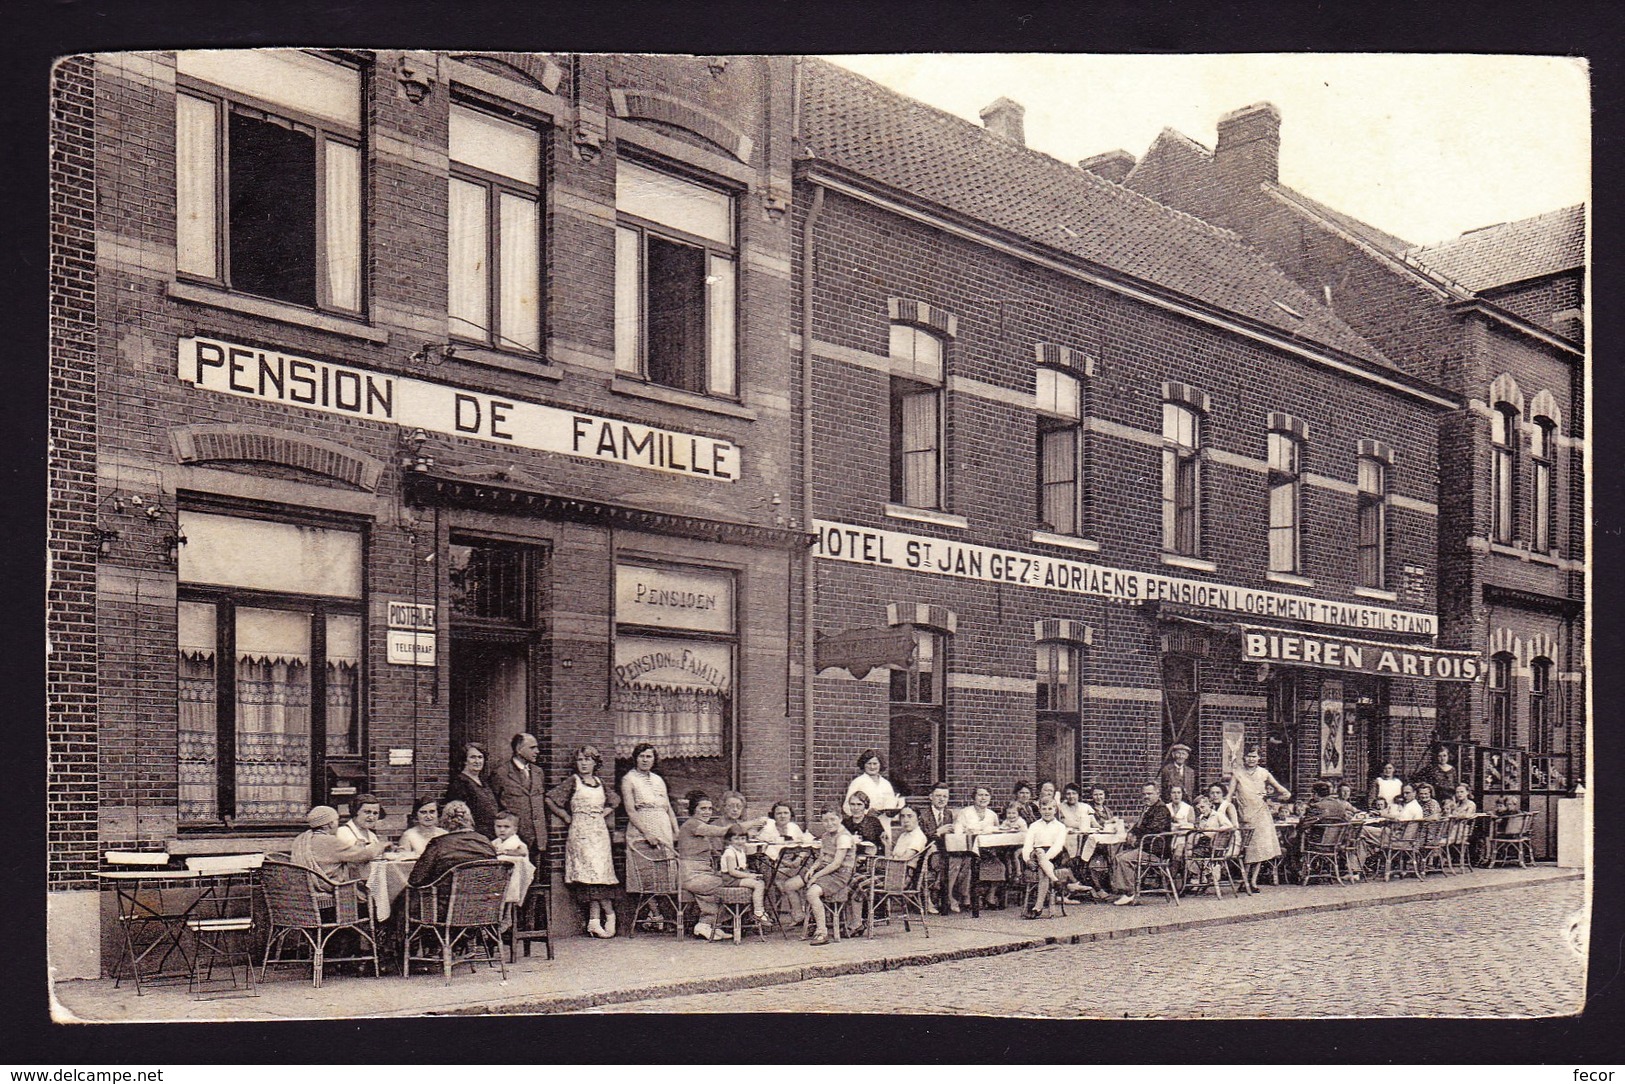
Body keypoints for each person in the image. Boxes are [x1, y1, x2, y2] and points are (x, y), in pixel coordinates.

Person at [545, 744, 622, 938]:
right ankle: (606, 915)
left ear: (595, 762)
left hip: (599, 832)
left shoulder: (599, 782)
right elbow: (550, 799)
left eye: (588, 760)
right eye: (580, 760)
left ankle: (596, 920)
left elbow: (615, 800)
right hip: (580, 832)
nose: (584, 764)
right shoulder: (574, 781)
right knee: (590, 875)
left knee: (600, 874)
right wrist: (565, 816)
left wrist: (603, 813)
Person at [1227, 748, 1291, 890]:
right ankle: (1244, 881)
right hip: (1245, 815)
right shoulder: (1237, 773)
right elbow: (1229, 795)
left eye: (1254, 756)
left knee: (1259, 850)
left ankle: (1253, 882)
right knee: (1247, 849)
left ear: (1259, 758)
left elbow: (1285, 793)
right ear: (1243, 758)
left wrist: (1271, 797)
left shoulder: (1264, 773)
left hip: (1261, 815)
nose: (1251, 759)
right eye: (1248, 756)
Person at [676, 791, 731, 941]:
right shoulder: (693, 824)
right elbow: (722, 831)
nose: (707, 812)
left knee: (728, 881)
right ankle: (704, 924)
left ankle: (714, 924)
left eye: (709, 809)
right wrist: (751, 824)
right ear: (694, 809)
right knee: (729, 882)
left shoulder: (701, 826)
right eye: (703, 808)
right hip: (691, 875)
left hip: (703, 872)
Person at [407, 800, 498, 889]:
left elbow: (415, 880)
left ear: (444, 820)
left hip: (446, 901)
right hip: (484, 901)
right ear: (469, 819)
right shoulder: (485, 841)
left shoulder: (438, 844)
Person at [1110, 784, 1174, 904]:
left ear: (1157, 794)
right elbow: (1138, 826)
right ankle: (1124, 890)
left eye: (1149, 794)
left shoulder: (1161, 809)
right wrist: (1131, 832)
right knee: (1118, 856)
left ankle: (1130, 892)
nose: (1146, 797)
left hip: (1156, 851)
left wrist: (1135, 836)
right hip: (1146, 848)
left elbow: (1153, 829)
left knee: (1124, 859)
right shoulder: (1148, 808)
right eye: (1144, 794)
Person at [489, 733, 548, 864]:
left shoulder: (538, 772)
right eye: (532, 748)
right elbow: (494, 806)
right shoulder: (501, 773)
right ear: (518, 749)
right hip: (513, 840)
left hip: (536, 838)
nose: (537, 751)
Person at [290, 805, 378, 891]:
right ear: (331, 824)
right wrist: (382, 846)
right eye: (337, 821)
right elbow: (362, 855)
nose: (338, 824)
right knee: (369, 888)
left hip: (304, 888)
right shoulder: (330, 841)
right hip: (330, 887)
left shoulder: (301, 838)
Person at [802, 808, 856, 947]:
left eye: (833, 819)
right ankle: (812, 921)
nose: (829, 823)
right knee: (794, 884)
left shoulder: (843, 837)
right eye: (825, 820)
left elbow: (836, 863)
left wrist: (816, 876)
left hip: (840, 874)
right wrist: (812, 869)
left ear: (840, 819)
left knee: (812, 892)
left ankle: (822, 931)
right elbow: (821, 858)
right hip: (826, 871)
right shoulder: (826, 836)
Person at [620, 742, 679, 855]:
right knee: (647, 863)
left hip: (663, 825)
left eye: (649, 756)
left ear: (654, 759)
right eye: (641, 756)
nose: (645, 760)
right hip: (643, 827)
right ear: (636, 759)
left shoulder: (658, 779)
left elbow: (668, 808)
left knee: (666, 860)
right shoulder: (629, 779)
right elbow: (630, 811)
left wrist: (676, 830)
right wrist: (647, 833)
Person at [951, 786, 1000, 912]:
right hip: (969, 850)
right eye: (980, 795)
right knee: (970, 864)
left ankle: (990, 896)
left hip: (987, 851)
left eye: (986, 795)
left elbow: (998, 832)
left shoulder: (992, 815)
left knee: (999, 865)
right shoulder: (965, 813)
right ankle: (966, 897)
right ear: (974, 797)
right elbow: (958, 831)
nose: (983, 798)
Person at [1021, 799, 1070, 918]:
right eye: (1044, 809)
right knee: (1039, 851)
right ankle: (1054, 880)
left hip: (1054, 855)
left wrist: (1044, 860)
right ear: (1039, 810)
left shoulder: (1060, 827)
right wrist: (1027, 859)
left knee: (1042, 865)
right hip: (1037, 855)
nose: (1047, 812)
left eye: (1050, 809)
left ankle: (1038, 907)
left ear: (1055, 810)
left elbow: (1058, 846)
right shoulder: (1034, 826)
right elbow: (1027, 845)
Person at [719, 824, 770, 927]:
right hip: (730, 879)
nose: (740, 841)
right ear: (729, 840)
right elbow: (733, 872)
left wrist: (751, 875)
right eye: (736, 839)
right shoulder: (730, 852)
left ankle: (755, 911)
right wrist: (750, 876)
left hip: (737, 877)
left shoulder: (740, 850)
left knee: (760, 880)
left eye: (742, 839)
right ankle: (758, 912)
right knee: (759, 884)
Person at [446, 742, 500, 839]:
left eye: (480, 757)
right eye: (473, 757)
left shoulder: (485, 783)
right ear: (465, 761)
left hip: (491, 835)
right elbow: (458, 817)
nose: (477, 761)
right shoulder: (460, 783)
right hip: (474, 837)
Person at [918, 782, 957, 913]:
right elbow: (920, 838)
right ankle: (936, 897)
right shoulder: (923, 814)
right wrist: (938, 832)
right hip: (926, 852)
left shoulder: (948, 814)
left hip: (945, 850)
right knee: (944, 862)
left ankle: (947, 896)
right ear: (931, 797)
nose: (941, 799)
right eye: (938, 796)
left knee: (964, 861)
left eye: (945, 797)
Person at [846, 750, 901, 814]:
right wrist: (866, 813)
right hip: (865, 822)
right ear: (864, 765)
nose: (872, 767)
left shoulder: (886, 784)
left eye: (875, 764)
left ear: (880, 765)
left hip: (885, 821)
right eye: (869, 763)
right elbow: (847, 806)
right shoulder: (857, 782)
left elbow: (891, 804)